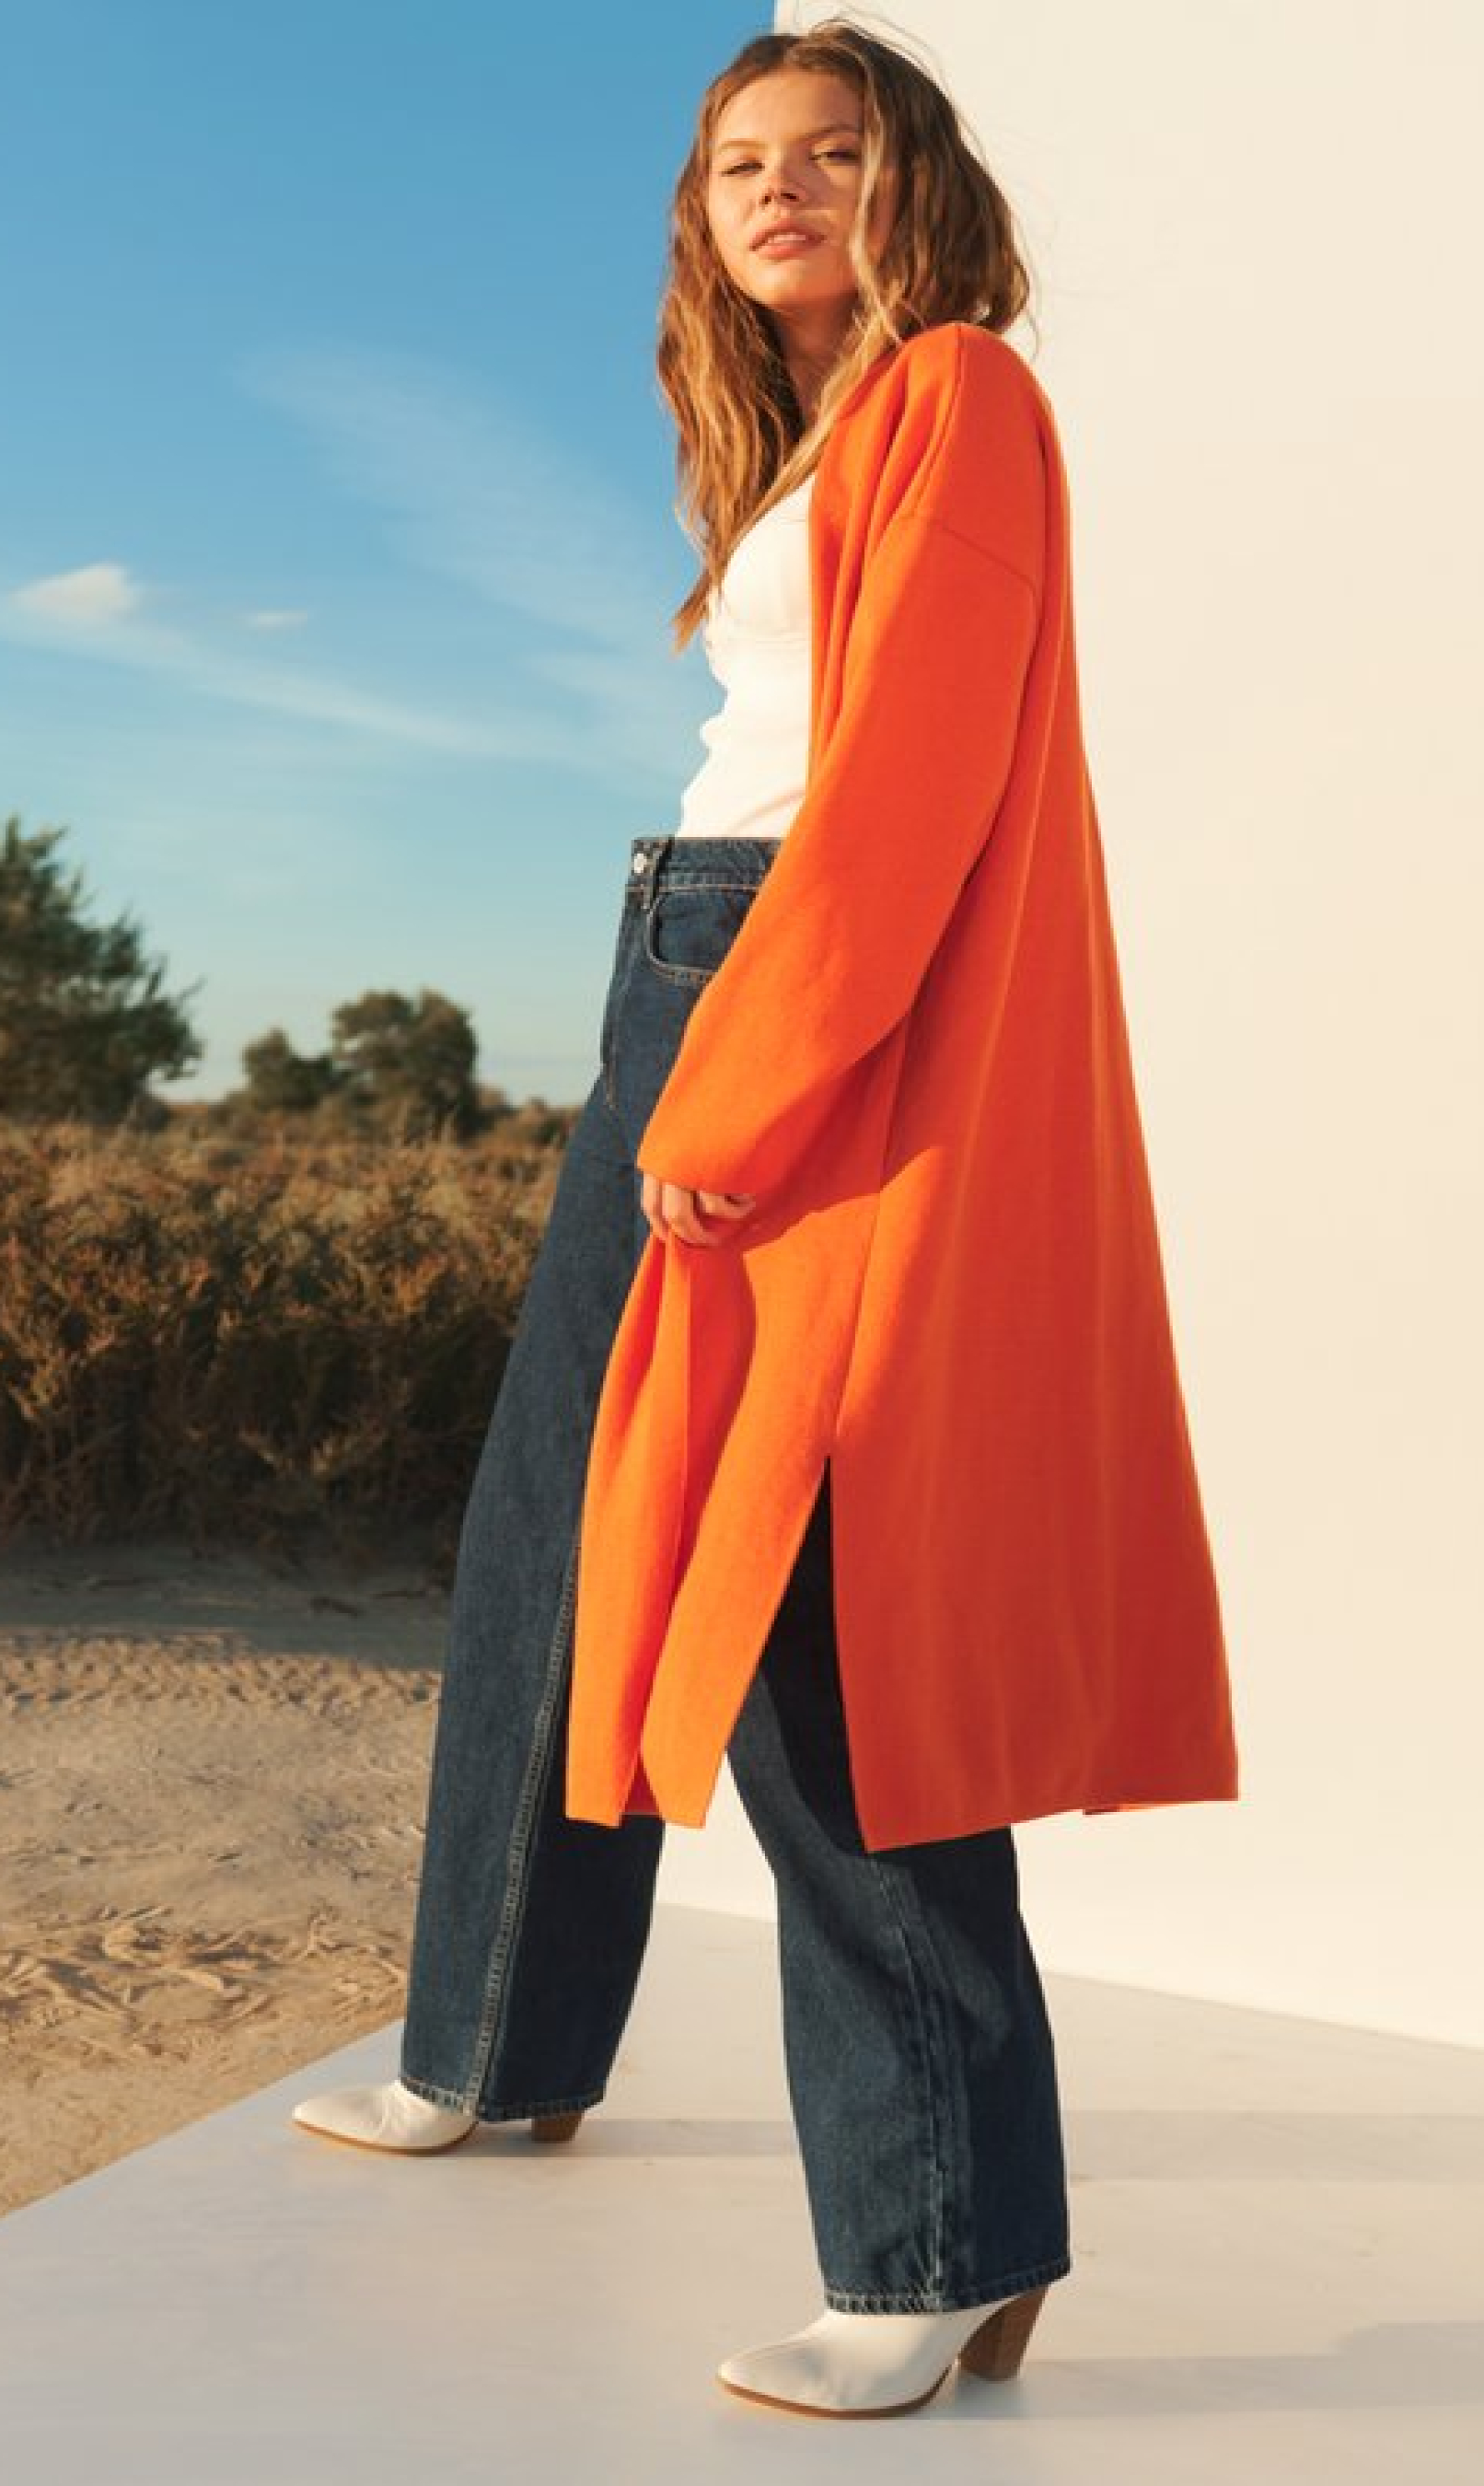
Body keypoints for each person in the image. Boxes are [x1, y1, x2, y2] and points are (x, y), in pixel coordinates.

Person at [292, 17, 1239, 2422]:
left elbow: (908, 779)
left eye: (830, 150)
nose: (780, 188)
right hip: (684, 958)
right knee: (551, 1528)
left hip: (794, 992)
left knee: (816, 1604)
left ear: (916, 180)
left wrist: (760, 1065)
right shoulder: (805, 443)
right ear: (699, 221)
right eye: (739, 165)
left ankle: (939, 2241)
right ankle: (491, 2045)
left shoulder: (958, 396)